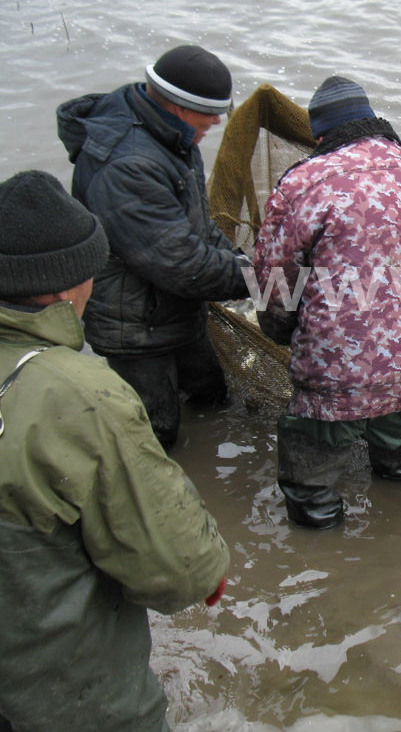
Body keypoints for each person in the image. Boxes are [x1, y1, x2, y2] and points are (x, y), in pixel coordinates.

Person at [0, 170, 229, 732]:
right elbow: (178, 569)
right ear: (66, 285)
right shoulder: (81, 393)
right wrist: (208, 569)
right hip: (57, 700)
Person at [253, 77, 401, 529]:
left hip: (334, 370)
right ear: (373, 123)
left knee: (313, 493)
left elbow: (274, 281)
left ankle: (324, 545)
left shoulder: (302, 184)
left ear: (321, 136)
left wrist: (282, 333)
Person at [57, 44, 251, 449]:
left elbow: (196, 226)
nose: (218, 120)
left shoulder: (175, 137)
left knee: (211, 396)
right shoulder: (127, 165)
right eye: (210, 112)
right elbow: (183, 264)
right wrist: (266, 280)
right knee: (155, 433)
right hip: (135, 327)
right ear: (178, 107)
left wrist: (244, 263)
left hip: (177, 309)